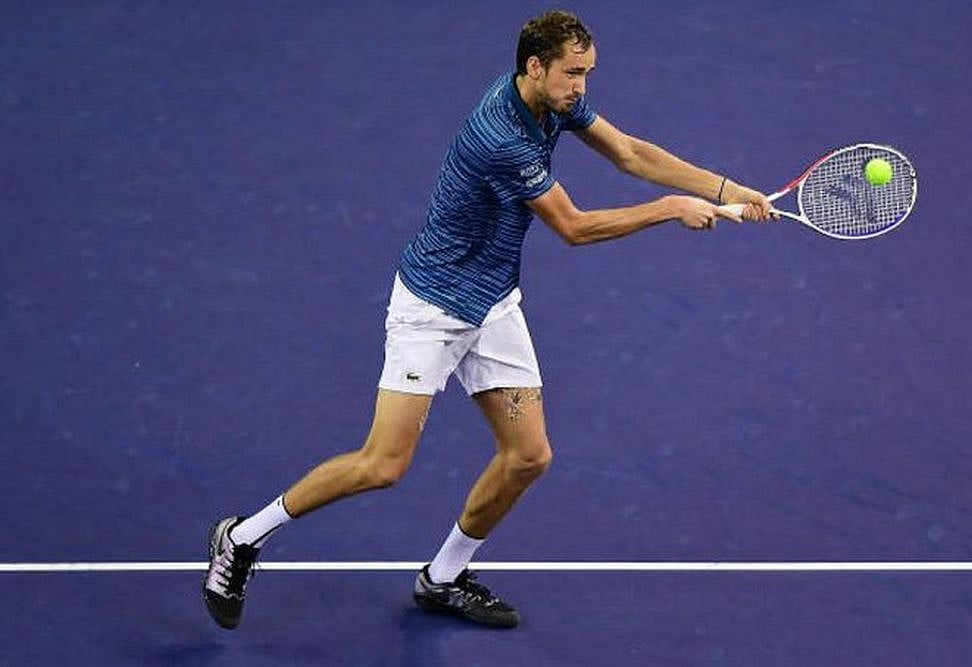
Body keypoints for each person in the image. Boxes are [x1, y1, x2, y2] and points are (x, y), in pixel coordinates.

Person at [202, 10, 772, 631]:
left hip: (493, 302)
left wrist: (728, 190)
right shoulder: (501, 137)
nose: (581, 86)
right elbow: (574, 228)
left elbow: (630, 152)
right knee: (383, 464)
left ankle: (442, 577)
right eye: (573, 73)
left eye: (587, 73)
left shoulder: (551, 101)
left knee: (528, 456)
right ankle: (243, 536)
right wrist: (668, 209)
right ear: (535, 66)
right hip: (433, 306)